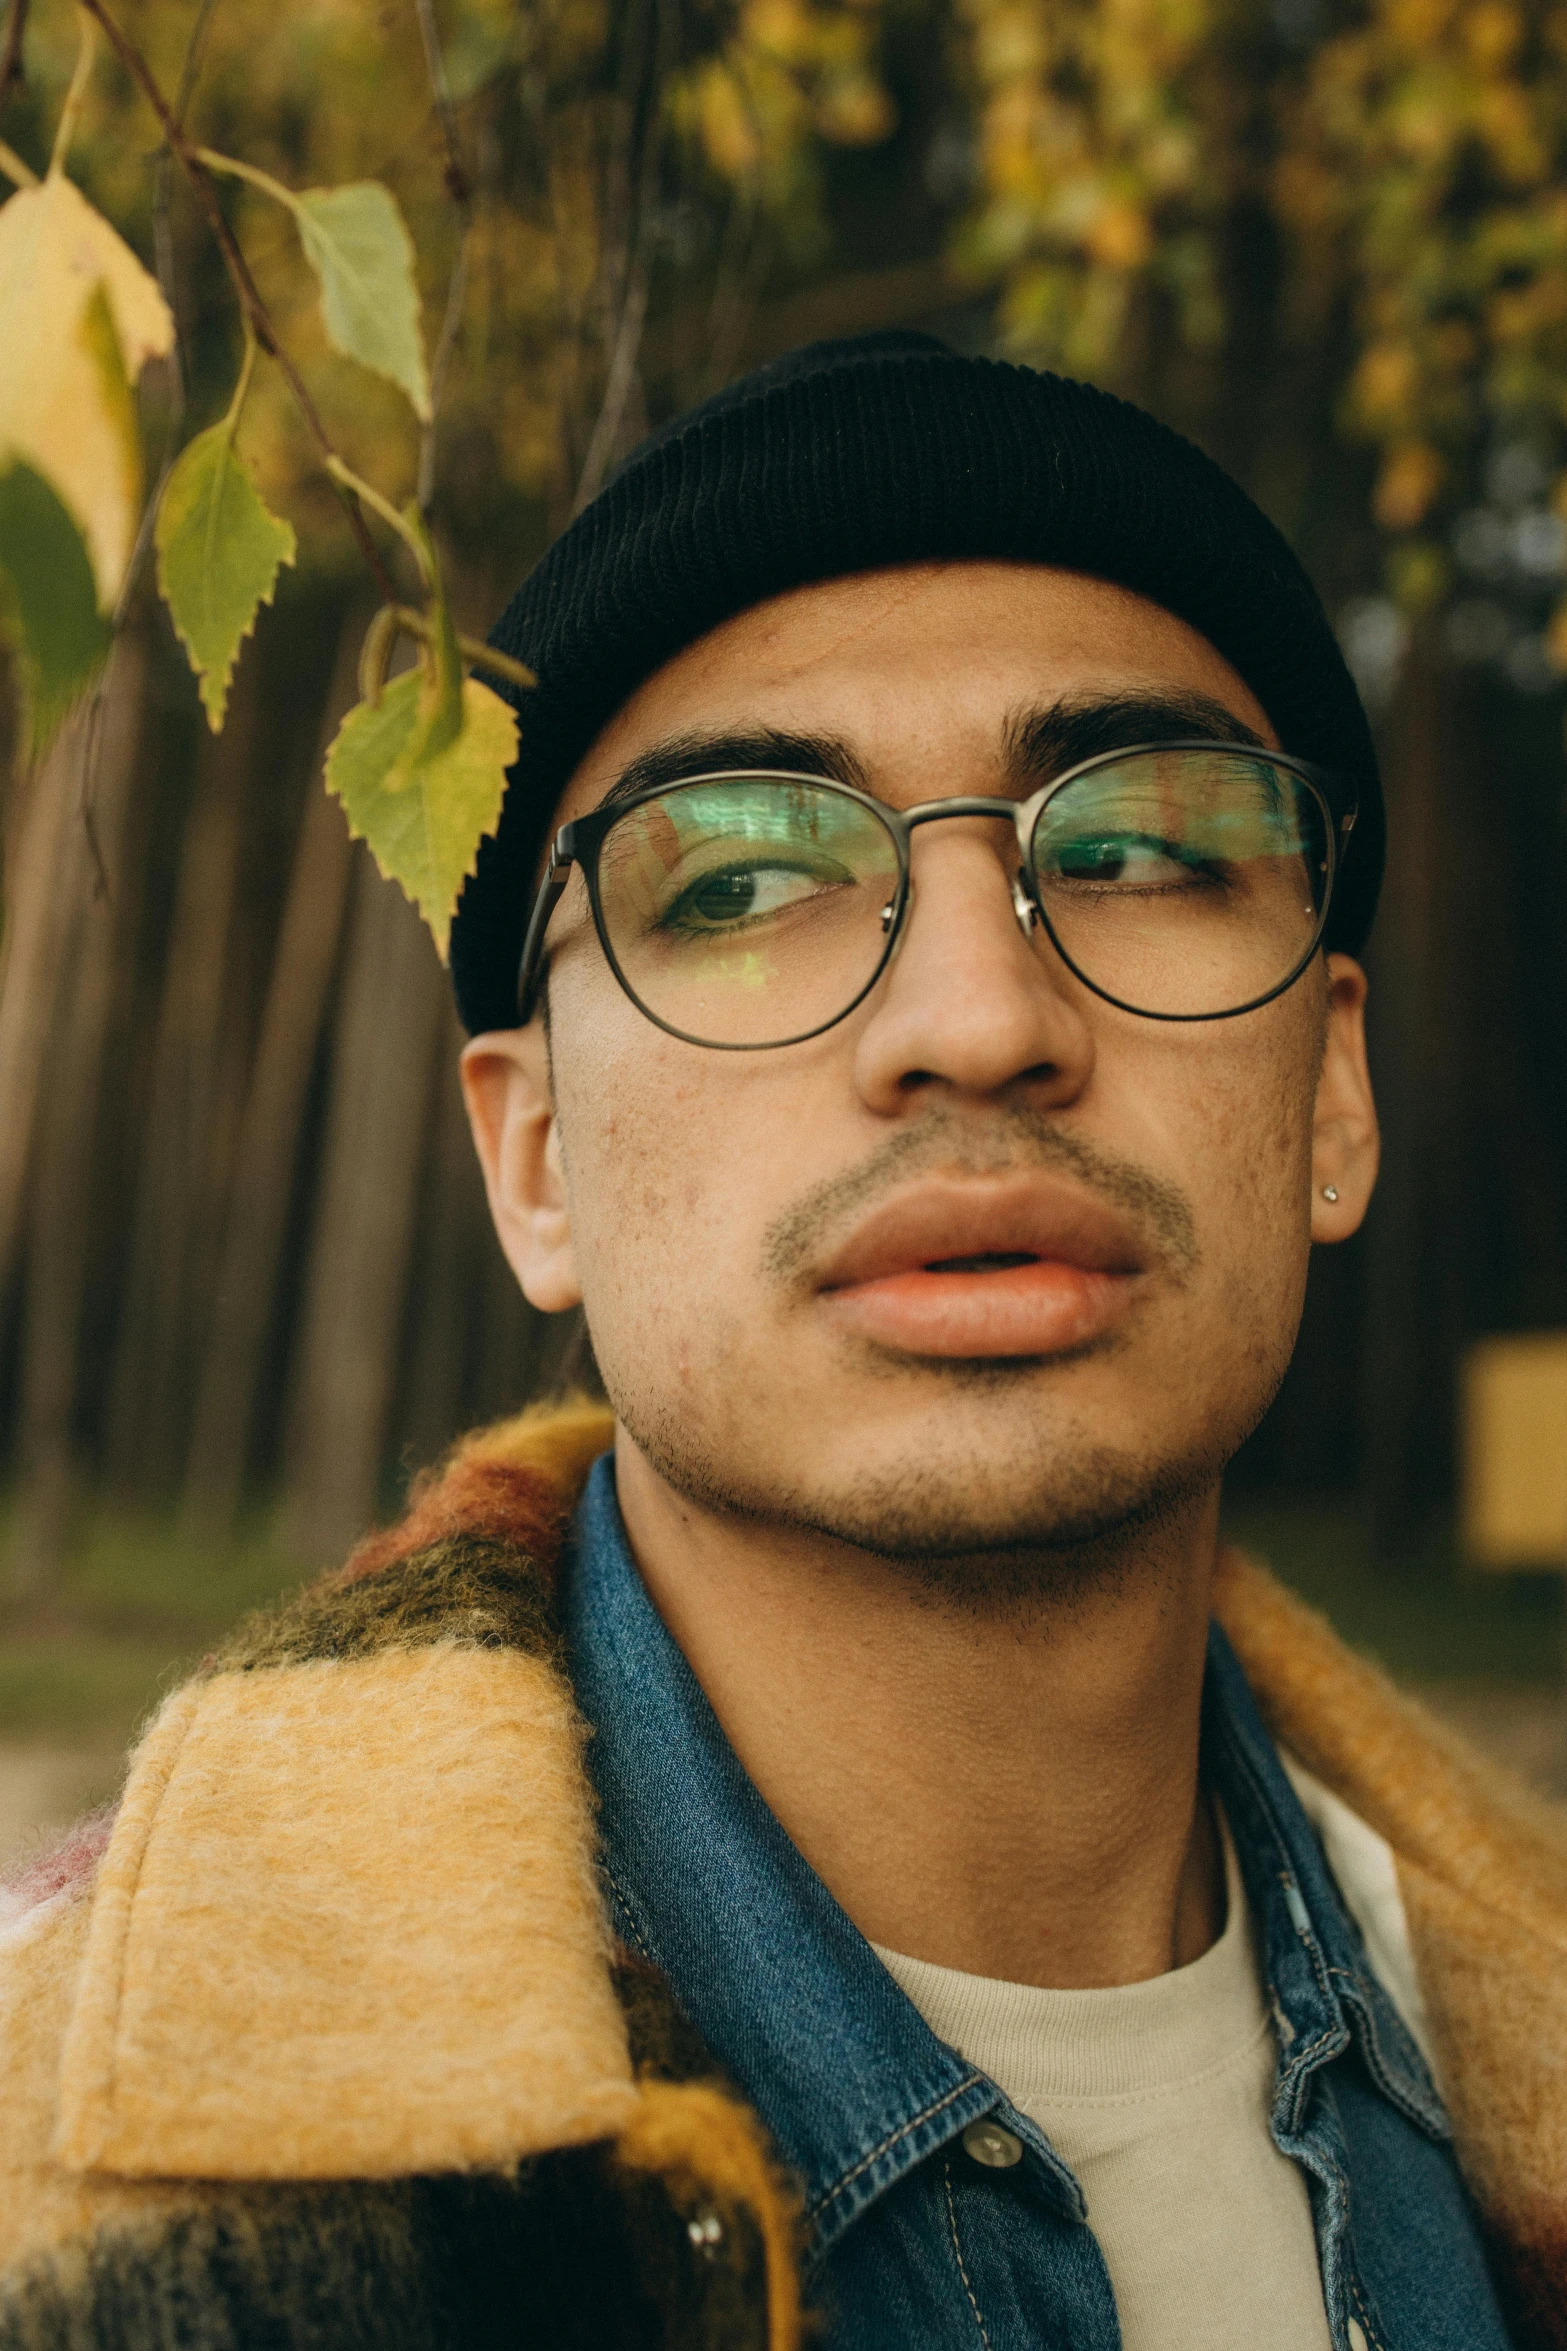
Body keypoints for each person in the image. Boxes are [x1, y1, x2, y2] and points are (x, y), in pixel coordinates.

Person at [3, 335, 1563, 2351]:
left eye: (1137, 846)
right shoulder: (62, 2169)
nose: (981, 1015)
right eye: (743, 877)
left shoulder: (1510, 2019)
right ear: (537, 1157)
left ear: (1332, 1096)